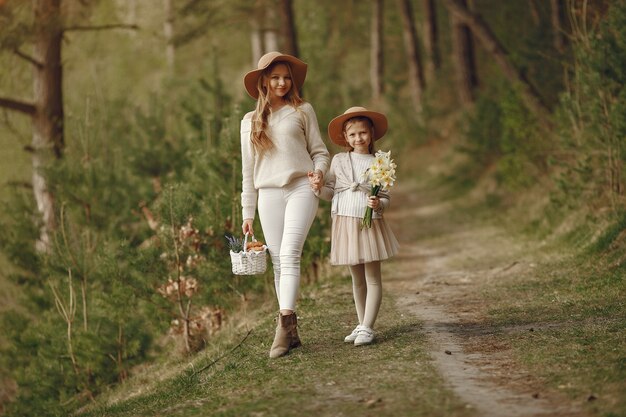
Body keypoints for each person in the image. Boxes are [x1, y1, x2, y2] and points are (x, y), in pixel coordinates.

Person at [240, 51, 330, 358]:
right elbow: (247, 172)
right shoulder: (249, 122)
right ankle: (291, 333)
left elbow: (320, 152)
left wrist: (319, 173)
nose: (281, 82)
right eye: (275, 77)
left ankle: (282, 327)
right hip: (268, 195)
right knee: (279, 261)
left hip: (301, 187)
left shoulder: (302, 110)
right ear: (264, 81)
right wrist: (247, 213)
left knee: (290, 254)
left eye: (286, 77)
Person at [315, 106, 399, 346]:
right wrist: (319, 189)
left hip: (368, 224)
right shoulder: (339, 160)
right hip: (345, 221)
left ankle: (368, 326)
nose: (358, 138)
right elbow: (331, 192)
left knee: (372, 277)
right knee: (357, 279)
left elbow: (385, 197)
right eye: (352, 135)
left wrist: (378, 204)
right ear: (345, 137)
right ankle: (362, 323)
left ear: (371, 133)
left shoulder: (379, 162)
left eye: (362, 133)